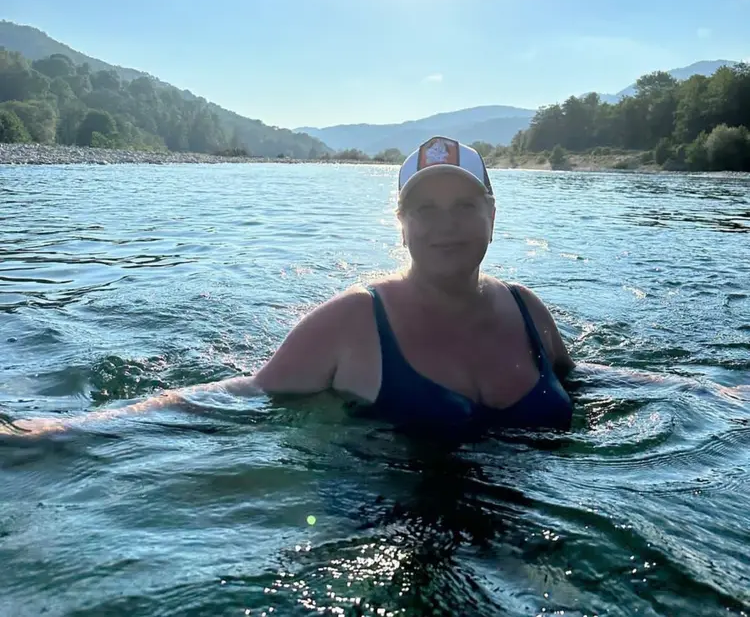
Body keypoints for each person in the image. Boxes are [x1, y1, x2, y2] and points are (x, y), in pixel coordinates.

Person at [3, 136, 577, 439]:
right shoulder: (355, 321)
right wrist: (69, 429)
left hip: (527, 529)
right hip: (393, 534)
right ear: (401, 225)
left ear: (492, 215)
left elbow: (581, 378)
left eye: (464, 206)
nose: (446, 225)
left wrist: (640, 381)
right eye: (425, 209)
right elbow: (242, 392)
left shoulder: (526, 310)